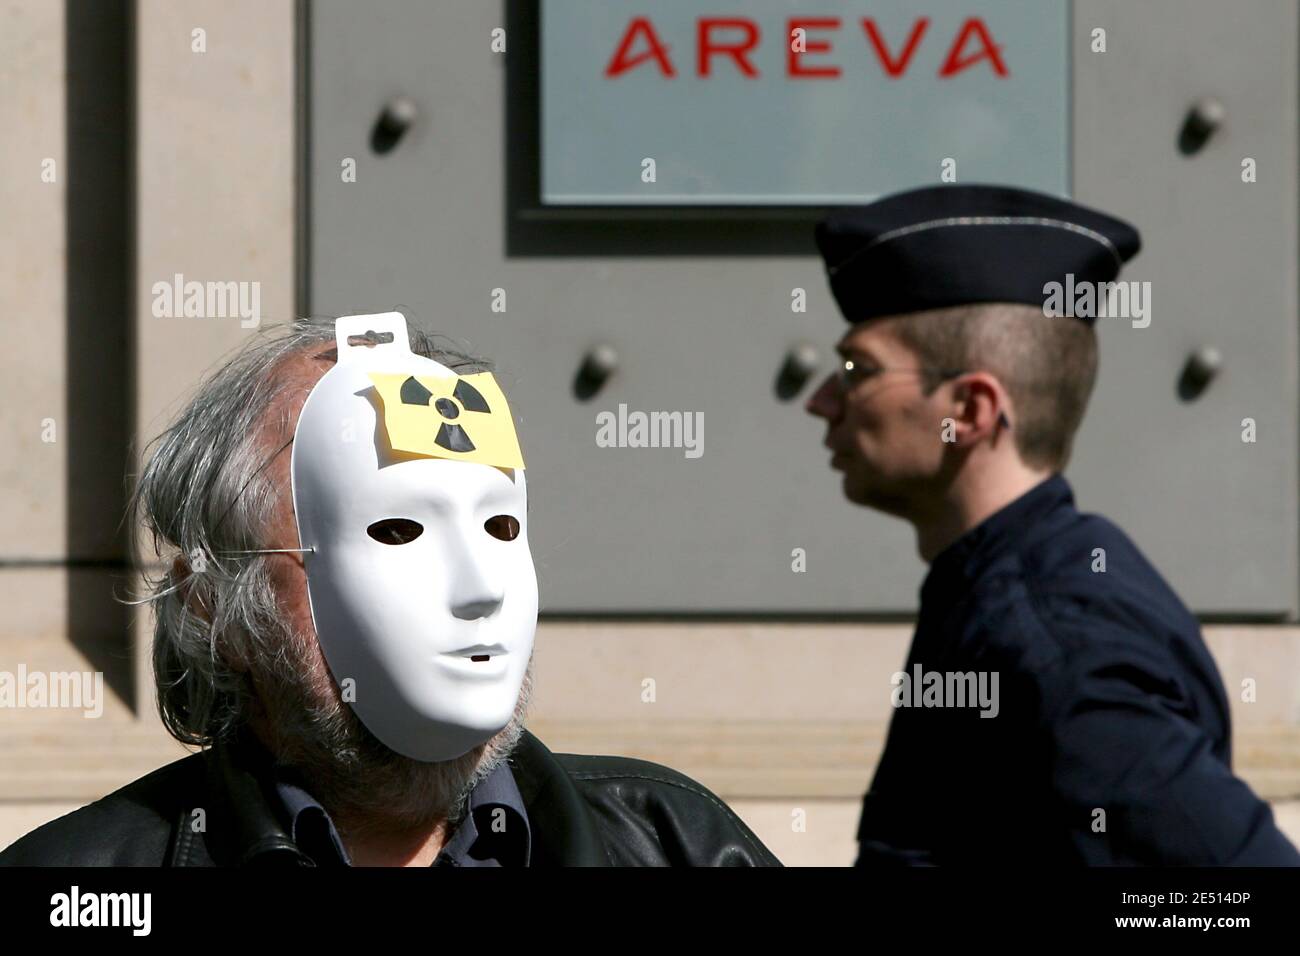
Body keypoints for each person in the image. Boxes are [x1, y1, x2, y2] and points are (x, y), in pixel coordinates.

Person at [0, 313, 779, 867]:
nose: (479, 589)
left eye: (500, 529)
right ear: (214, 605)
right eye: (398, 533)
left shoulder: (680, 844)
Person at [804, 184, 1300, 865]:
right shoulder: (1001, 592)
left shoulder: (1056, 640)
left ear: (971, 410)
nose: (821, 400)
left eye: (858, 369)